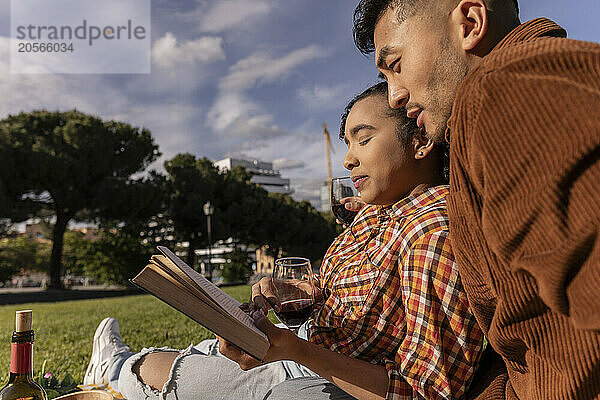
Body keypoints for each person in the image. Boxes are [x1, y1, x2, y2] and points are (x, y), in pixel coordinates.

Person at [83, 83, 483, 400]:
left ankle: (113, 369)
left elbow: (422, 393)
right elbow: (363, 291)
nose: (347, 160)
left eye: (363, 139)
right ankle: (123, 364)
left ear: (421, 142)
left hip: (324, 366)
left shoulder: (430, 236)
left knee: (153, 373)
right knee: (204, 353)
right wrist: (298, 290)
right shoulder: (378, 213)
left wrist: (295, 349)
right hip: (308, 345)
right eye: (346, 143)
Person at [352, 0, 600, 398]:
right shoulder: (492, 110)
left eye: (395, 64)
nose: (394, 95)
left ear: (470, 23)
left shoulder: (502, 90)